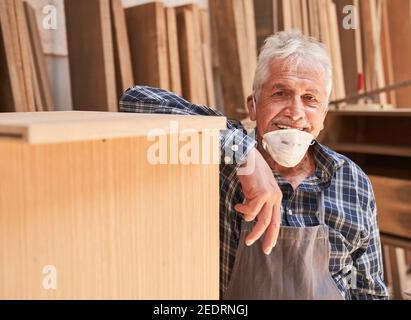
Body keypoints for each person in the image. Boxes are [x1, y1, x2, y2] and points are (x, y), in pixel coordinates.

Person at [119, 31, 389, 300]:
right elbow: (135, 101)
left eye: (310, 98)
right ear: (253, 106)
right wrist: (245, 154)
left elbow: (369, 292)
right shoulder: (222, 160)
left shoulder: (353, 182)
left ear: (323, 115)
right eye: (280, 93)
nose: (295, 112)